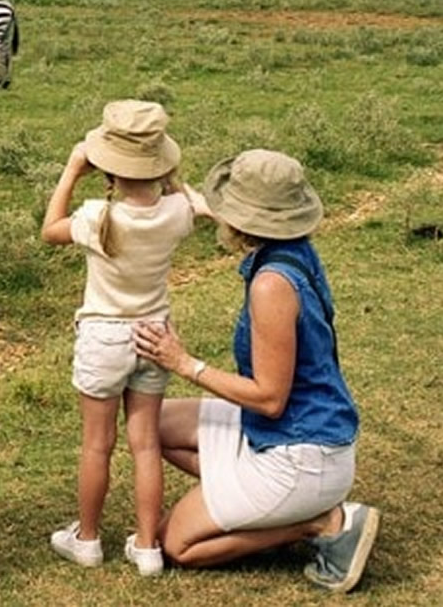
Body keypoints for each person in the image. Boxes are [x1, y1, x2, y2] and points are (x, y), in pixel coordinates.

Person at [133, 149, 380, 593]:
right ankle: (254, 499)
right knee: (152, 422)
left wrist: (184, 362)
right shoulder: (293, 249)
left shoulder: (271, 286)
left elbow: (269, 398)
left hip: (302, 455)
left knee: (177, 544)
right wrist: (170, 180)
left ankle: (320, 523)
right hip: (293, 431)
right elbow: (212, 208)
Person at [41, 100, 197, 576]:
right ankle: (148, 546)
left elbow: (50, 229)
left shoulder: (97, 216)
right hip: (154, 333)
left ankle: (87, 538)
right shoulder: (178, 211)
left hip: (104, 335)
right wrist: (169, 176)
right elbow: (182, 195)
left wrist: (71, 170)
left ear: (107, 166)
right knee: (145, 443)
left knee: (96, 444)